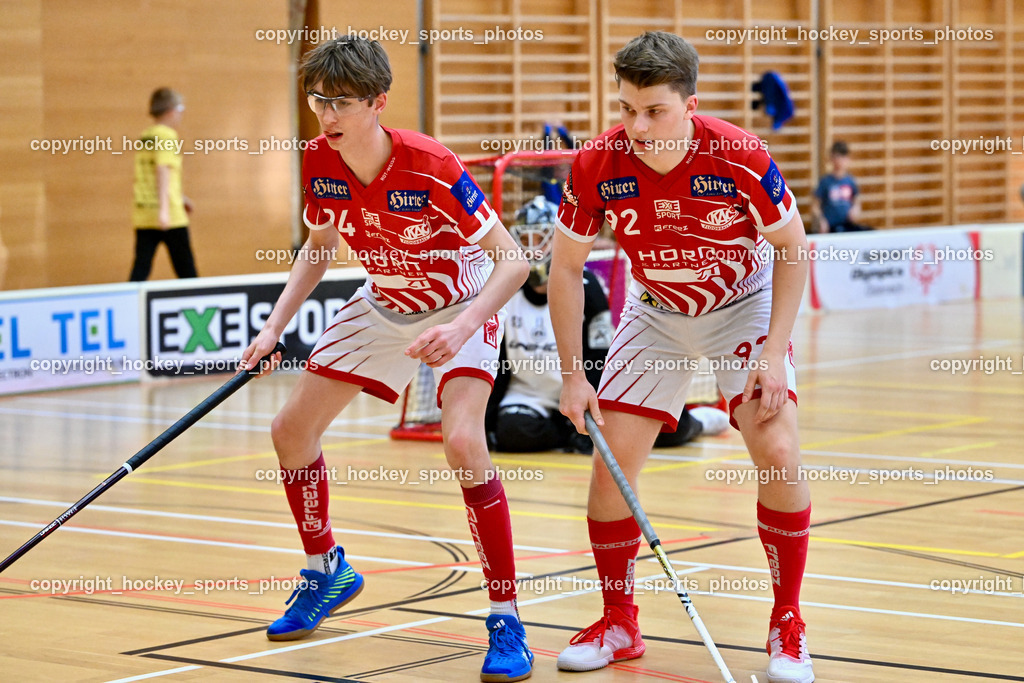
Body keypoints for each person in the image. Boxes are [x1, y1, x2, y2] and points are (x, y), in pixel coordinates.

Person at [239, 36, 533, 682]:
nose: (326, 114)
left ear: (378, 102)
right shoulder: (319, 159)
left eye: (341, 100)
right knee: (289, 430)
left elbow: (514, 260)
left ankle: (506, 615)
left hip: (461, 302)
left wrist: (463, 326)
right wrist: (273, 329)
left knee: (462, 441)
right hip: (383, 301)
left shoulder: (432, 164)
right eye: (318, 99)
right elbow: (319, 247)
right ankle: (326, 570)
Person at [548, 31, 814, 683]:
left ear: (689, 105)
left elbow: (793, 246)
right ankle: (619, 621)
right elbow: (563, 267)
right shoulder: (597, 163)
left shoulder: (740, 155)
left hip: (742, 306)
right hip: (656, 313)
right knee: (610, 468)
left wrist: (775, 351)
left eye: (654, 111)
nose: (636, 125)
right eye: (626, 108)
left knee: (778, 450)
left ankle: (788, 621)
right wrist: (572, 374)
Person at [486, 196, 729, 455]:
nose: (534, 249)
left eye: (541, 239)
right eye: (526, 240)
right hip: (529, 397)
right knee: (513, 433)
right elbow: (497, 360)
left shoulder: (587, 287)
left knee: (666, 427)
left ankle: (699, 423)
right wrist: (486, 420)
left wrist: (586, 404)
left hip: (584, 388)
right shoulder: (507, 291)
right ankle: (568, 432)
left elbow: (598, 357)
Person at [129, 87, 198, 280]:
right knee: (187, 271)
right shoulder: (166, 135)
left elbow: (150, 174)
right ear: (171, 111)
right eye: (180, 109)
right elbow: (162, 169)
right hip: (170, 217)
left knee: (140, 269)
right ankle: (195, 305)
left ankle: (129, 306)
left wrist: (181, 197)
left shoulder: (147, 135)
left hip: (144, 213)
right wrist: (165, 210)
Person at [812, 140, 870, 234]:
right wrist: (821, 220)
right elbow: (815, 206)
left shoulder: (850, 181)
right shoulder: (825, 181)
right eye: (837, 157)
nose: (840, 161)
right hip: (831, 227)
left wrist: (855, 209)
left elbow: (856, 202)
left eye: (843, 158)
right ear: (832, 158)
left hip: (848, 225)